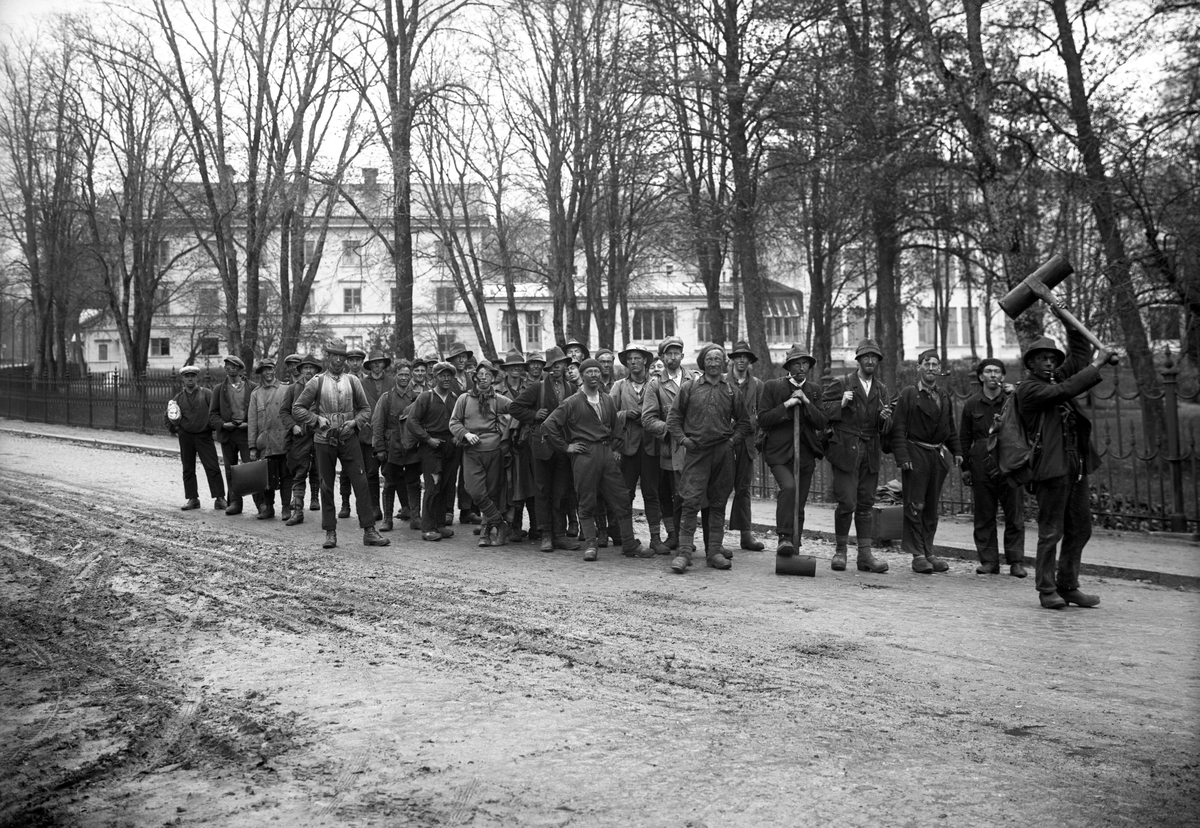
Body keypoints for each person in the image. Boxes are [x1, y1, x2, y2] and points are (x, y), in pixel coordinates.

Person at [1016, 331, 1110, 610]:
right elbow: (1065, 391)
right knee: (1051, 532)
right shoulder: (1029, 389)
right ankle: (1047, 589)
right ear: (1030, 364)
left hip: (1075, 465)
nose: (1048, 363)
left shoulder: (1056, 377)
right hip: (1050, 468)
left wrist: (1064, 317)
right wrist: (1099, 364)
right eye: (1042, 359)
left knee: (1080, 529)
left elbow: (1079, 355)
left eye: (1052, 358)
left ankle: (1068, 585)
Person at [543, 358, 649, 560]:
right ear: (582, 376)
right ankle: (591, 545)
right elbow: (548, 425)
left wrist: (614, 449)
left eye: (597, 372)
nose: (594, 375)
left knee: (621, 498)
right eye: (589, 372)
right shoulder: (572, 402)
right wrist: (566, 447)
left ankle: (629, 544)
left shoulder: (607, 400)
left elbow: (616, 428)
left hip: (606, 453)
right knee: (586, 501)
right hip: (584, 455)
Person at [291, 339, 390, 550]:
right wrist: (316, 420)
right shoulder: (316, 382)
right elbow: (297, 408)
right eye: (334, 355)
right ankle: (330, 532)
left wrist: (355, 422)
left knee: (361, 482)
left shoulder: (353, 381)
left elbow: (365, 410)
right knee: (326, 485)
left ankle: (369, 531)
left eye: (341, 356)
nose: (338, 360)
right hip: (324, 440)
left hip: (348, 438)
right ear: (327, 357)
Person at [664, 343, 752, 573]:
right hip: (697, 452)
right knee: (690, 502)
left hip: (722, 454)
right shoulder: (689, 388)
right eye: (709, 359)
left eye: (718, 359)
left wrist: (731, 443)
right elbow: (673, 419)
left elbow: (744, 424)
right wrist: (685, 441)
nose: (714, 363)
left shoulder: (732, 390)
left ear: (724, 363)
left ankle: (713, 551)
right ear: (703, 363)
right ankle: (684, 552)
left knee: (718, 502)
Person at [821, 339, 892, 573]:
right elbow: (820, 412)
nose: (870, 361)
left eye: (874, 358)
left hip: (870, 452)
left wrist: (884, 419)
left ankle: (865, 555)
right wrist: (839, 404)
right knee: (847, 503)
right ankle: (840, 551)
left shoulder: (881, 389)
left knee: (865, 504)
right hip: (845, 451)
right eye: (866, 357)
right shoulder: (841, 383)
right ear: (859, 360)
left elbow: (887, 426)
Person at [891, 349, 963, 574]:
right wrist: (903, 457)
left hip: (937, 457)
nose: (931, 368)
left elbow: (950, 427)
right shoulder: (909, 394)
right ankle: (918, 555)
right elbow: (898, 428)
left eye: (935, 364)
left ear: (940, 369)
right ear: (918, 368)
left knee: (931, 507)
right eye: (927, 364)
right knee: (915, 505)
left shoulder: (943, 396)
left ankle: (929, 551)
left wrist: (957, 451)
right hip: (916, 455)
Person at [757, 345, 826, 557]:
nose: (801, 367)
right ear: (789, 366)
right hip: (779, 453)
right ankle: (784, 537)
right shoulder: (773, 387)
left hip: (804, 454)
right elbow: (763, 418)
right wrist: (788, 404)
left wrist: (805, 401)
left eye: (805, 363)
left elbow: (822, 422)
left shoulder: (814, 390)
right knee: (789, 488)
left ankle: (795, 543)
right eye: (796, 363)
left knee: (801, 500)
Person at [959, 358, 1026, 577]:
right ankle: (988, 561)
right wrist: (966, 468)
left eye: (997, 371)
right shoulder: (971, 404)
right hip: (981, 464)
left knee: (1014, 514)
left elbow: (1027, 421)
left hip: (1009, 462)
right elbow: (964, 437)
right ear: (981, 377)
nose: (993, 375)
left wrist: (1016, 393)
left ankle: (1016, 561)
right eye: (988, 372)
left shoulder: (1012, 400)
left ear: (1003, 376)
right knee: (984, 514)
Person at [510, 346, 580, 552]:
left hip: (564, 447)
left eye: (561, 364)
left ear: (566, 366)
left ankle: (559, 534)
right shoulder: (537, 388)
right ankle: (546, 534)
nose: (557, 368)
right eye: (553, 365)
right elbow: (514, 407)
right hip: (541, 445)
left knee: (561, 491)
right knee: (542, 490)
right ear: (548, 368)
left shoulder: (571, 389)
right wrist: (533, 415)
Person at [450, 360, 516, 547]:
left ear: (493, 378)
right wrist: (466, 433)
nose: (484, 378)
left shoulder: (499, 400)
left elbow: (517, 410)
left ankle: (486, 532)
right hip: (472, 451)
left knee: (492, 492)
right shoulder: (464, 399)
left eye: (488, 375)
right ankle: (501, 524)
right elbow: (454, 422)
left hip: (494, 451)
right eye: (481, 374)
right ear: (475, 377)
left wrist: (505, 426)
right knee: (475, 491)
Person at [611, 343, 668, 554]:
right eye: (629, 359)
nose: (633, 362)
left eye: (637, 358)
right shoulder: (619, 387)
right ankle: (628, 539)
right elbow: (608, 415)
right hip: (627, 449)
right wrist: (625, 415)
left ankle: (655, 538)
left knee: (651, 493)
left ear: (645, 360)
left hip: (651, 447)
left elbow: (663, 413)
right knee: (626, 494)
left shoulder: (656, 384)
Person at [406, 361, 462, 542]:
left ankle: (440, 525)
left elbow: (462, 420)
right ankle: (428, 527)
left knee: (446, 485)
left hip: (450, 446)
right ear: (435, 377)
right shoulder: (426, 398)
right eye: (442, 375)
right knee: (433, 485)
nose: (446, 379)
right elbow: (412, 421)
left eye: (449, 375)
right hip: (431, 447)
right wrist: (427, 439)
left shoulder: (455, 398)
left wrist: (457, 436)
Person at [641, 336, 687, 551]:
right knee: (671, 494)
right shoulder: (655, 385)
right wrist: (671, 430)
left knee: (692, 495)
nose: (673, 357)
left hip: (694, 448)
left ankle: (687, 537)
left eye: (676, 353)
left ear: (682, 356)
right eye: (668, 353)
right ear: (662, 357)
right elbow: (648, 419)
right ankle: (674, 534)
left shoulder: (695, 380)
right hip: (669, 449)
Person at [166, 364, 227, 511]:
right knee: (188, 468)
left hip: (204, 436)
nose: (190, 379)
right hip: (186, 437)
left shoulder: (206, 394)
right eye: (187, 377)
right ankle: (192, 499)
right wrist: (176, 429)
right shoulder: (178, 398)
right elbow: (168, 415)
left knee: (212, 467)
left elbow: (216, 411)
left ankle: (219, 498)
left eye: (192, 376)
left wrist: (212, 426)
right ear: (183, 379)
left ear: (197, 377)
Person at [372, 359, 422, 531]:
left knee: (414, 482)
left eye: (407, 375)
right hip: (391, 447)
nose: (404, 378)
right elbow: (378, 424)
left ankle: (416, 517)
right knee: (389, 483)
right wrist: (379, 448)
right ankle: (387, 519)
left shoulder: (417, 398)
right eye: (400, 374)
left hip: (411, 446)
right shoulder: (386, 399)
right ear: (394, 376)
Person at [209, 354, 261, 516]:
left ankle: (261, 504)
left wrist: (250, 424)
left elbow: (260, 412)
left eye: (234, 366)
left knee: (251, 469)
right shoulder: (219, 389)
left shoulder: (252, 387)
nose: (230, 369)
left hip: (247, 434)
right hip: (228, 435)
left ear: (240, 369)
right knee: (231, 470)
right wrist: (224, 425)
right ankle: (235, 503)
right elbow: (213, 414)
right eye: (228, 366)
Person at [726, 341, 765, 553]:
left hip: (747, 444)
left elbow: (763, 414)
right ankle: (715, 537)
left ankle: (746, 535)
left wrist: (749, 421)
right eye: (738, 356)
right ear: (733, 359)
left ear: (749, 360)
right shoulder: (722, 380)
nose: (742, 360)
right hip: (723, 443)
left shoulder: (758, 385)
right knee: (718, 489)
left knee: (743, 490)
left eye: (745, 357)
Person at [247, 357, 293, 521]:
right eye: (263, 370)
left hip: (283, 441)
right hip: (265, 443)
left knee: (286, 476)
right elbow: (252, 422)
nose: (267, 373)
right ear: (260, 373)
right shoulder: (256, 394)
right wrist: (252, 446)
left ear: (274, 370)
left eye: (270, 369)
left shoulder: (286, 389)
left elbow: (292, 414)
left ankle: (286, 508)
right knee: (266, 477)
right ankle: (269, 508)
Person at [280, 355, 322, 526]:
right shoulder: (292, 389)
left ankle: (318, 503)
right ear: (301, 370)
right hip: (299, 437)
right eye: (305, 368)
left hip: (319, 435)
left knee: (320, 471)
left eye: (312, 368)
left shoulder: (323, 387)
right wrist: (292, 426)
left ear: (316, 371)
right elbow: (283, 412)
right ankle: (297, 511)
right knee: (298, 472)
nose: (308, 371)